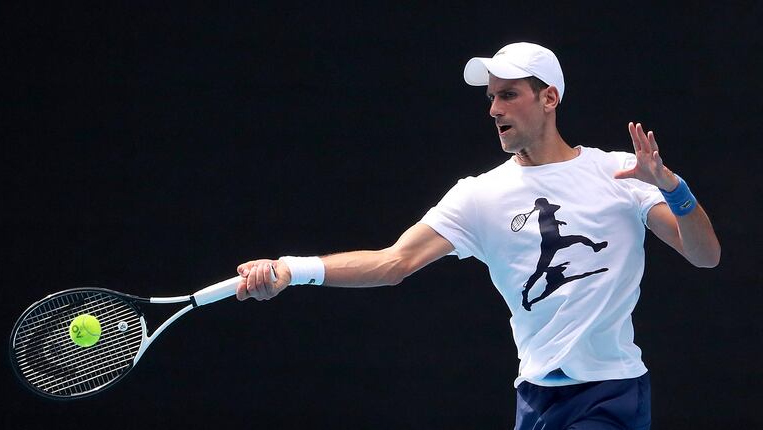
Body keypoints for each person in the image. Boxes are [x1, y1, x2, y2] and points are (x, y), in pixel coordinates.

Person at [234, 42, 721, 429]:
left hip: (613, 394)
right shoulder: (479, 195)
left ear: (549, 98)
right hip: (535, 398)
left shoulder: (620, 174)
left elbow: (705, 256)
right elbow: (393, 263)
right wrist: (289, 271)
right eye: (491, 96)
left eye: (508, 94)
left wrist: (672, 187)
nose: (493, 108)